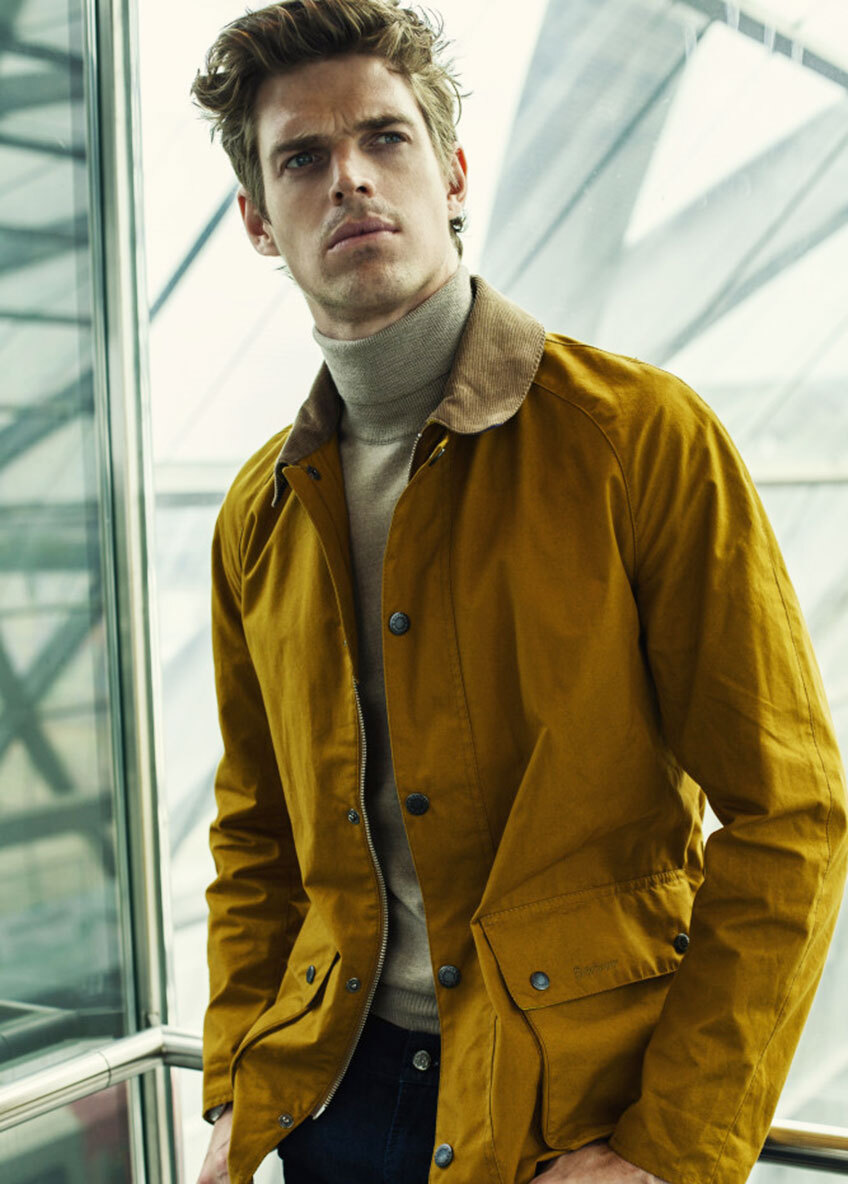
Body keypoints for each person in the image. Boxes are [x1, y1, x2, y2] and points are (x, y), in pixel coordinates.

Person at [188, 2, 848, 1182]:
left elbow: (789, 815)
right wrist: (237, 1084)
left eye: (383, 138)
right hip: (329, 1101)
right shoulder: (260, 514)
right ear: (255, 219)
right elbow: (256, 838)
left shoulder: (638, 437)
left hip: (572, 1118)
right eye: (301, 158)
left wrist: (665, 1149)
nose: (349, 178)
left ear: (450, 173)